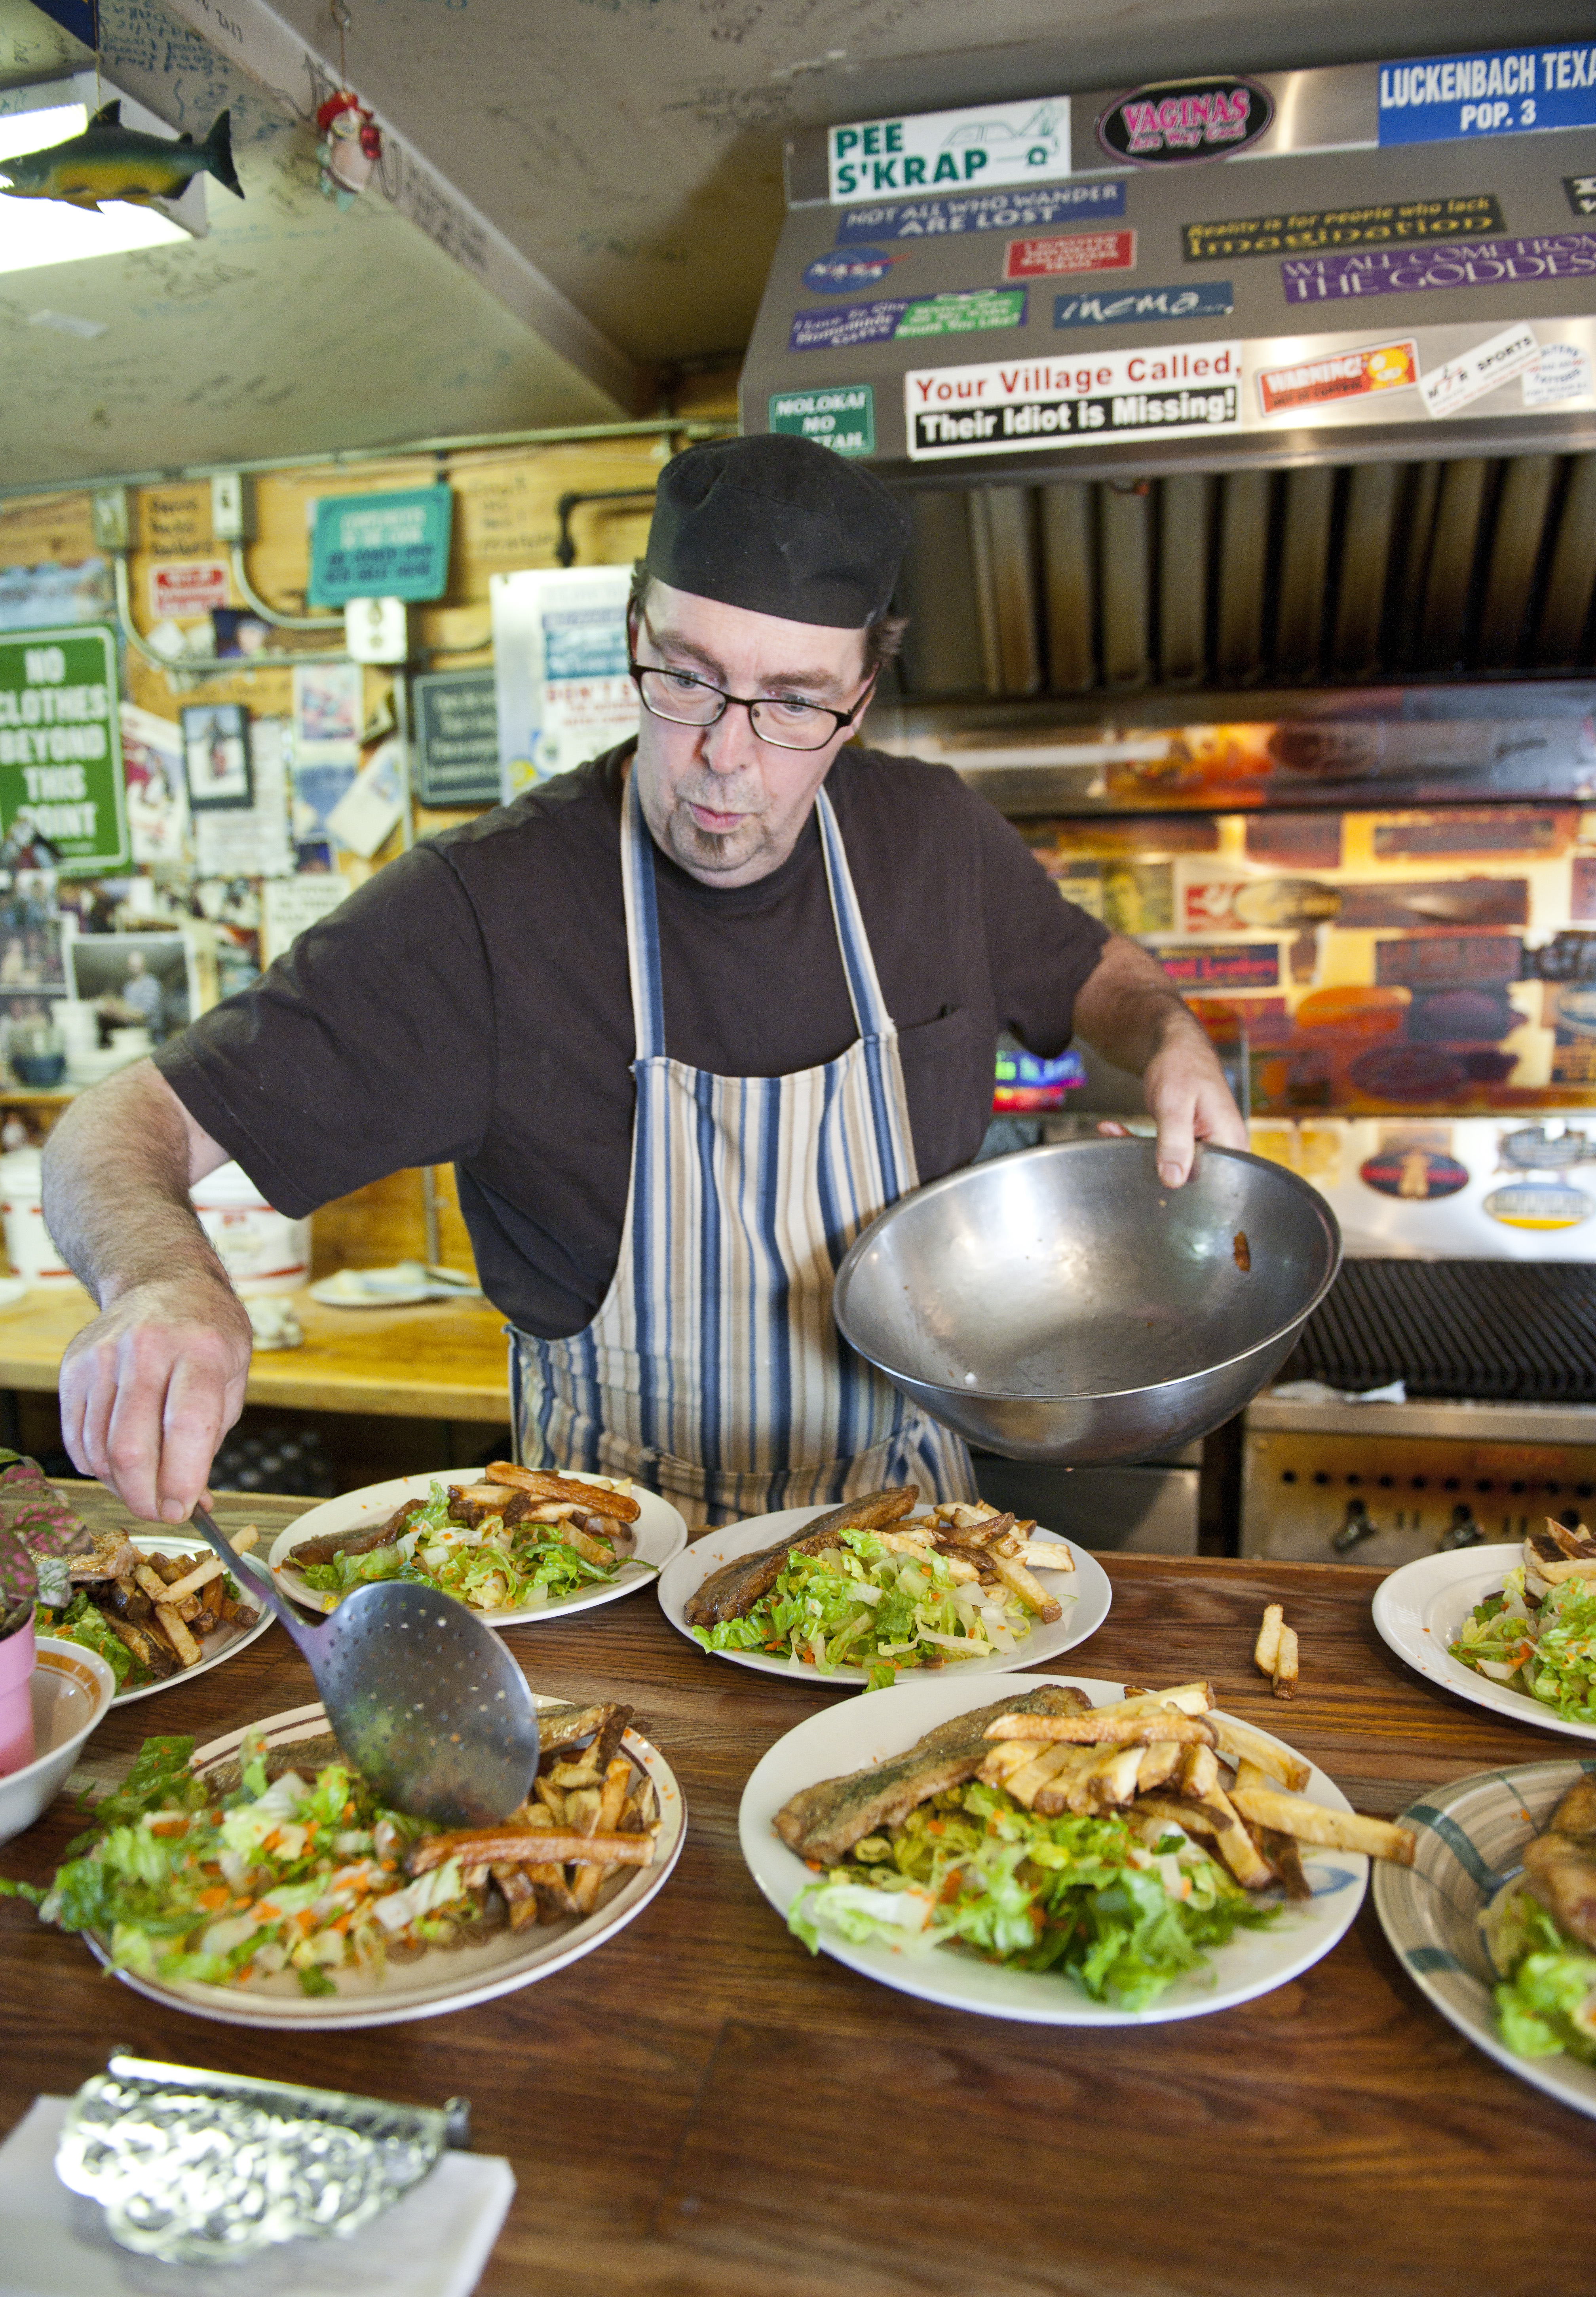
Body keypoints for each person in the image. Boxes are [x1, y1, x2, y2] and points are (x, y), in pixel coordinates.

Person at [44, 435, 1244, 1527]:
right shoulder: (482, 913)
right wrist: (161, 1278)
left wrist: (1171, 1037)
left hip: (917, 1569)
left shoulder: (932, 839)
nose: (726, 755)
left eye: (794, 704)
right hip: (609, 1581)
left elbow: (1090, 971)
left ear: (861, 701)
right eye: (687, 678)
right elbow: (115, 1127)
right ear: (635, 634)